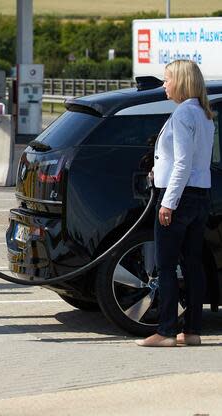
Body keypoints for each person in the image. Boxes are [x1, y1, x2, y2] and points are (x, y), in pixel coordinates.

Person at [136, 60, 215, 347]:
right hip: (200, 196)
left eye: (168, 79)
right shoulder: (204, 114)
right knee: (193, 263)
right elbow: (193, 162)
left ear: (181, 81)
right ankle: (192, 331)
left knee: (166, 266)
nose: (164, 85)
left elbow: (182, 162)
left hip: (178, 196)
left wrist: (168, 203)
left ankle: (166, 331)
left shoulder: (183, 114)